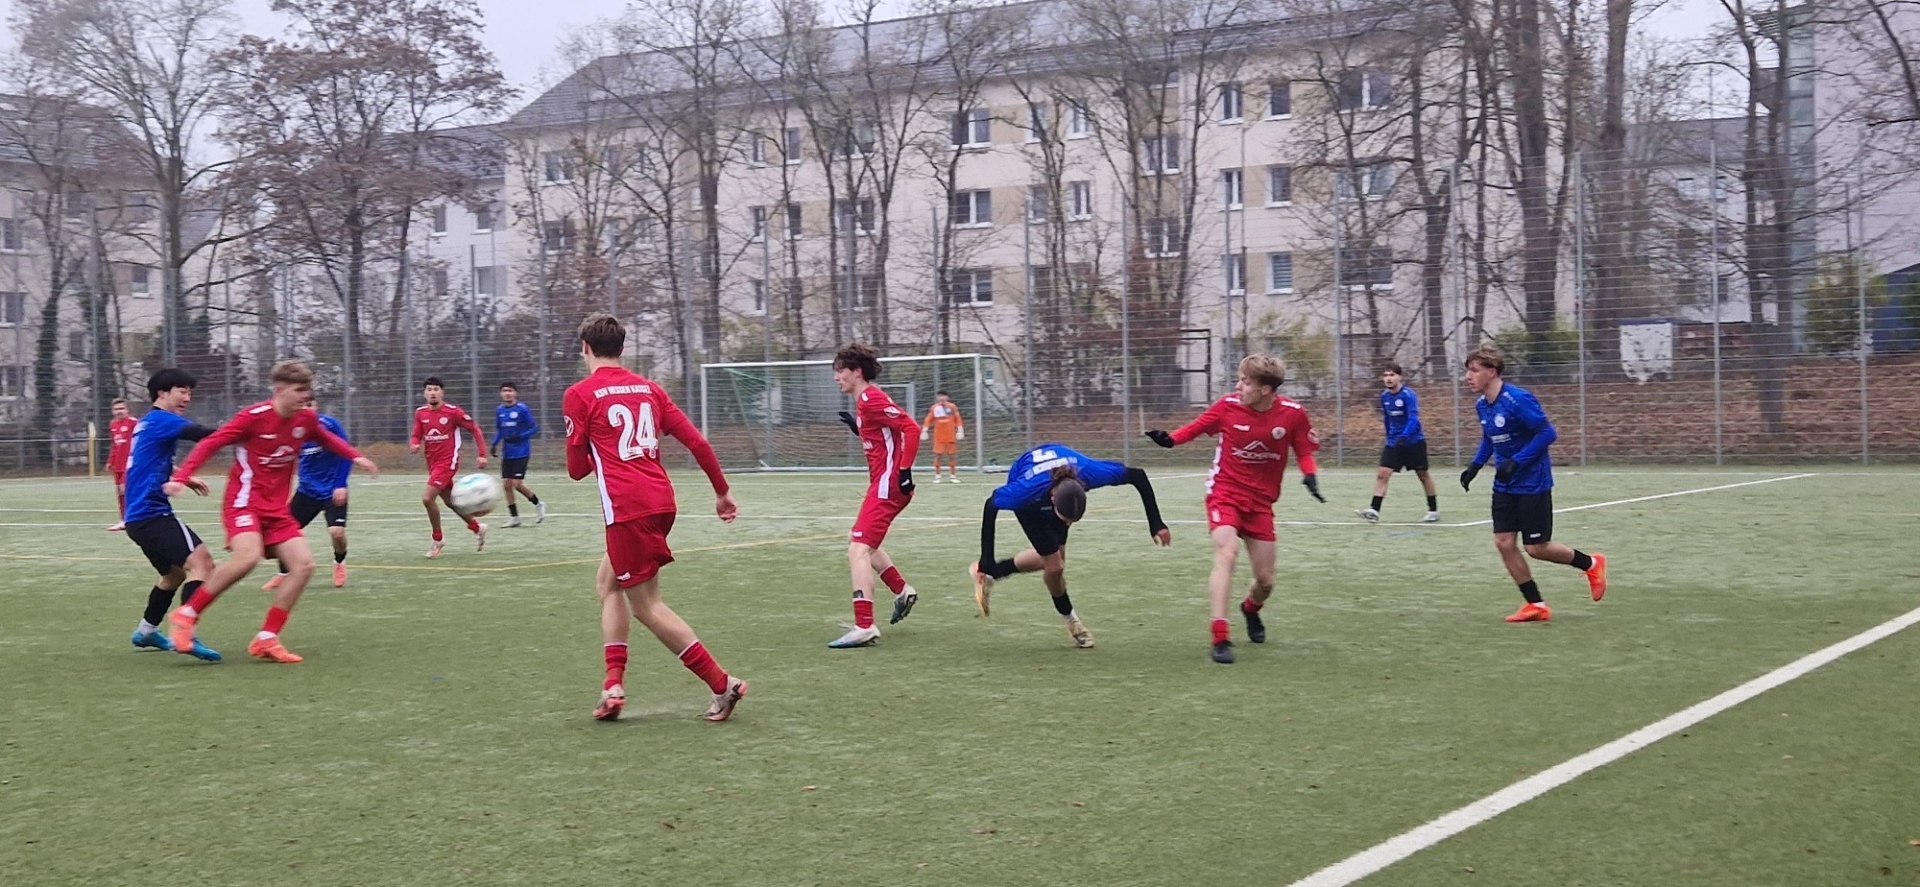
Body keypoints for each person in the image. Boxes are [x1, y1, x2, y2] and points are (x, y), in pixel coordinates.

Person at [563, 313, 746, 722]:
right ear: (621, 348)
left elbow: (575, 470)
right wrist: (721, 492)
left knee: (648, 606)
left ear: (585, 348)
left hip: (628, 509)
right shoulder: (649, 388)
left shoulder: (580, 394)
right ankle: (612, 685)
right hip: (662, 501)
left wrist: (594, 446)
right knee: (608, 584)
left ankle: (722, 684)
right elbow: (697, 442)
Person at [164, 361, 378, 662]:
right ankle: (187, 614)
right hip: (244, 502)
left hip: (276, 509)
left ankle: (267, 637)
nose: (306, 396)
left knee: (303, 566)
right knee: (248, 557)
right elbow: (211, 443)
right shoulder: (253, 418)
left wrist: (356, 457)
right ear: (279, 390)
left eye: (308, 390)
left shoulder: (306, 419)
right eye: (299, 390)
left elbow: (327, 439)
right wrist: (182, 477)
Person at [1147, 354, 1325, 664]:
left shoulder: (1293, 414)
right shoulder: (1228, 406)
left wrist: (1310, 474)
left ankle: (1250, 608)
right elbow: (1197, 427)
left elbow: (1304, 449)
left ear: (1265, 390)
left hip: (1261, 504)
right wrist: (1170, 440)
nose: (1238, 386)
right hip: (1225, 492)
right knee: (1226, 552)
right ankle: (1220, 636)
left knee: (1265, 581)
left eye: (1245, 381)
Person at [969, 444, 1171, 648]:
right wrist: (987, 558)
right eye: (1065, 520)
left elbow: (1137, 476)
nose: (1066, 526)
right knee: (1055, 567)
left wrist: (1156, 523)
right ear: (1053, 499)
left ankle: (992, 575)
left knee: (1054, 561)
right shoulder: (1023, 493)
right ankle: (1072, 622)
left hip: (1056, 479)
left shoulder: (1090, 473)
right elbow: (991, 504)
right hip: (1030, 503)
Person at [1459, 347, 1608, 622]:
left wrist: (1517, 462)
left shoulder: (1518, 400)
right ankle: (1536, 604)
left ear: (1492, 372)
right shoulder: (1482, 405)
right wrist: (1475, 466)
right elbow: (1489, 437)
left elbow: (1547, 433)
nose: (1468, 376)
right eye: (1467, 370)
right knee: (1503, 542)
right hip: (1505, 485)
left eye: (1474, 370)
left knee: (1536, 548)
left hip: (1532, 482)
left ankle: (1591, 563)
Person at [120, 369, 222, 661]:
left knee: (173, 575)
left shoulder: (146, 423)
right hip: (153, 514)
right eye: (181, 391)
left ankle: (146, 631)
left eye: (190, 392)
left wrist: (183, 477)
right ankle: (185, 634)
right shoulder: (163, 420)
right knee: (203, 564)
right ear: (162, 393)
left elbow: (148, 460)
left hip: (137, 519)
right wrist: (245, 431)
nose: (187, 398)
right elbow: (201, 434)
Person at [827, 343, 921, 649]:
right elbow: (886, 432)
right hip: (884, 483)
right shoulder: (866, 401)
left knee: (858, 549)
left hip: (888, 485)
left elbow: (911, 428)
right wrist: (861, 428)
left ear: (856, 371)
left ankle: (864, 625)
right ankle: (901, 590)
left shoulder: (870, 398)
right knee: (860, 541)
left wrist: (904, 470)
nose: (836, 377)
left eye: (840, 371)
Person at [261, 398, 355, 591]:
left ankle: (339, 562)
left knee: (337, 533)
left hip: (332, 491)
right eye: (302, 405)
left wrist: (340, 484)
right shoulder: (292, 430)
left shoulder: (330, 425)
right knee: (284, 533)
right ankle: (283, 573)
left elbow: (347, 453)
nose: (306, 409)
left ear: (316, 406)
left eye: (310, 405)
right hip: (306, 492)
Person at [410, 376, 489, 557]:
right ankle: (477, 528)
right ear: (424, 393)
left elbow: (475, 429)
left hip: (448, 462)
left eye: (436, 389)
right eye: (429, 390)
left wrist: (482, 454)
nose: (432, 393)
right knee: (451, 502)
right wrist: (414, 444)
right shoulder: (420, 413)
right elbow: (416, 435)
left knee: (427, 499)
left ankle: (438, 539)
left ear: (442, 393)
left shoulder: (453, 412)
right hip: (432, 463)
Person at [1358, 363, 1440, 524]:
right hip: (1394, 442)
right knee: (1382, 474)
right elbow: (1387, 418)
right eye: (1385, 375)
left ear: (1399, 377)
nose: (1388, 379)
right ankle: (1374, 510)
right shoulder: (1384, 397)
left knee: (1423, 474)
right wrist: (1389, 435)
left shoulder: (1408, 395)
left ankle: (1433, 510)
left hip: (1414, 442)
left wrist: (1404, 436)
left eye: (1392, 375)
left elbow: (1413, 419)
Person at [494, 382, 546, 527]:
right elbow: (500, 430)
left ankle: (538, 503)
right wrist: (494, 444)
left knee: (517, 484)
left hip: (521, 451)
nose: (507, 393)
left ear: (515, 393)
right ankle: (514, 518)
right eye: (504, 391)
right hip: (507, 453)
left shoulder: (522, 409)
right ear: (501, 394)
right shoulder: (500, 410)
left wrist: (521, 436)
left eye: (510, 390)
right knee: (506, 485)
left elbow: (534, 428)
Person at [920, 391, 965, 483]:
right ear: (937, 397)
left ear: (947, 397)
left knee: (952, 456)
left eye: (944, 396)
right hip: (938, 436)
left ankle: (952, 476)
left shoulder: (952, 407)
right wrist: (924, 431)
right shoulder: (934, 408)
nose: (942, 398)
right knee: (938, 456)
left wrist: (960, 430)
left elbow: (957, 419)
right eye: (940, 396)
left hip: (950, 435)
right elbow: (928, 419)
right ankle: (937, 476)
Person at [106, 398, 137, 531]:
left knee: (126, 490)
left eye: (122, 409)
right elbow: (115, 445)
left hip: (130, 463)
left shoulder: (134, 423)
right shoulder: (113, 424)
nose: (119, 411)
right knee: (120, 492)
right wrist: (110, 460)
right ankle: (124, 519)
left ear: (127, 410)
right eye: (116, 409)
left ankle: (131, 518)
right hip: (118, 465)